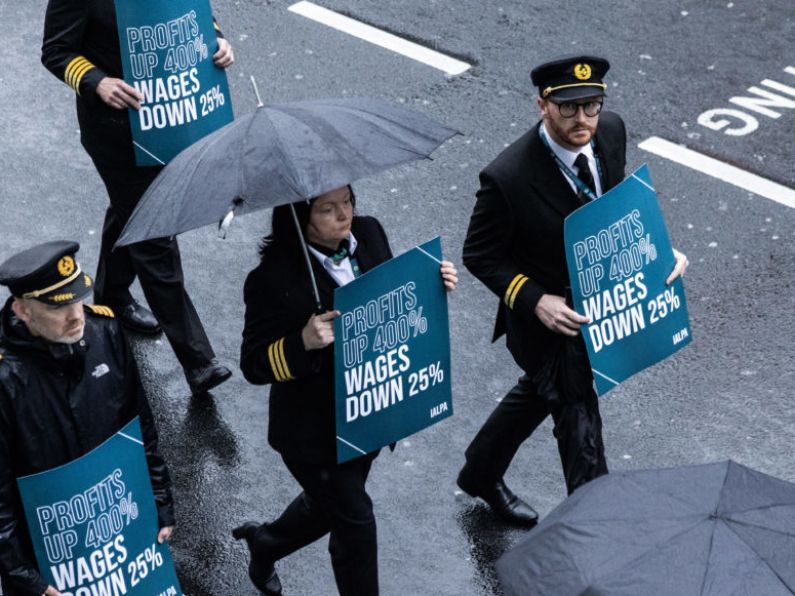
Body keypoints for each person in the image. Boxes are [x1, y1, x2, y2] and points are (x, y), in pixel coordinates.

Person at [456, 56, 689, 525]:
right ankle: (596, 531)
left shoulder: (612, 132)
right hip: (549, 319)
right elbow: (479, 255)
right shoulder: (507, 178)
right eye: (568, 108)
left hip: (602, 300)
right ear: (542, 106)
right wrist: (536, 300)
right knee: (577, 414)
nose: (582, 119)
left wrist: (658, 252)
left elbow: (617, 209)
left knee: (542, 394)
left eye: (591, 105)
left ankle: (480, 471)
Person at [234, 186, 458, 596]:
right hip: (312, 434)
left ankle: (265, 543)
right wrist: (300, 342)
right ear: (300, 218)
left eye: (348, 201)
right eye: (327, 209)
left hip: (366, 413)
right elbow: (253, 364)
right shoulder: (272, 278)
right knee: (356, 520)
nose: (344, 215)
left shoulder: (370, 232)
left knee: (330, 509)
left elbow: (394, 298)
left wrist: (432, 283)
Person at [40, 1, 235, 395]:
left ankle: (111, 295)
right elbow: (56, 51)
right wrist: (98, 81)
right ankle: (197, 360)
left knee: (131, 211)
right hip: (117, 135)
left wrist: (217, 39)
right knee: (154, 235)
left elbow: (193, 16)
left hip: (170, 123)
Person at [0, 241, 175, 596]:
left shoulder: (105, 331)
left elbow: (139, 424)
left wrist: (158, 498)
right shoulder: (5, 381)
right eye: (58, 307)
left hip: (115, 534)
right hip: (46, 558)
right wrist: (26, 577)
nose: (76, 315)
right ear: (23, 310)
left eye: (78, 298)